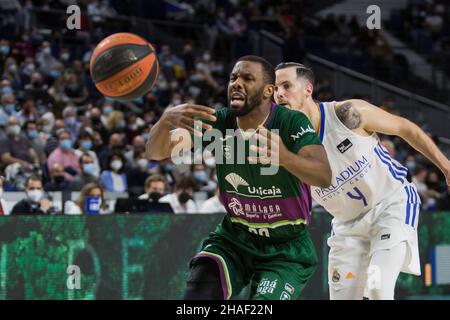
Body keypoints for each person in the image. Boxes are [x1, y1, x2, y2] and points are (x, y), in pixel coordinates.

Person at [147, 56, 331, 300]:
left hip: (286, 248)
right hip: (235, 238)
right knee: (197, 297)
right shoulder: (218, 122)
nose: (236, 83)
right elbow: (156, 151)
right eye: (233, 78)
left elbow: (323, 175)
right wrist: (164, 122)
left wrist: (286, 158)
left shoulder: (291, 122)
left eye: (247, 78)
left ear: (269, 91)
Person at [274, 62, 450, 300]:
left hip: (390, 206)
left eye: (286, 86)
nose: (279, 94)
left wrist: (446, 166)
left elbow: (405, 128)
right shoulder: (284, 147)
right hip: (347, 227)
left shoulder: (345, 114)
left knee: (378, 287)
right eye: (275, 89)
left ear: (308, 90)